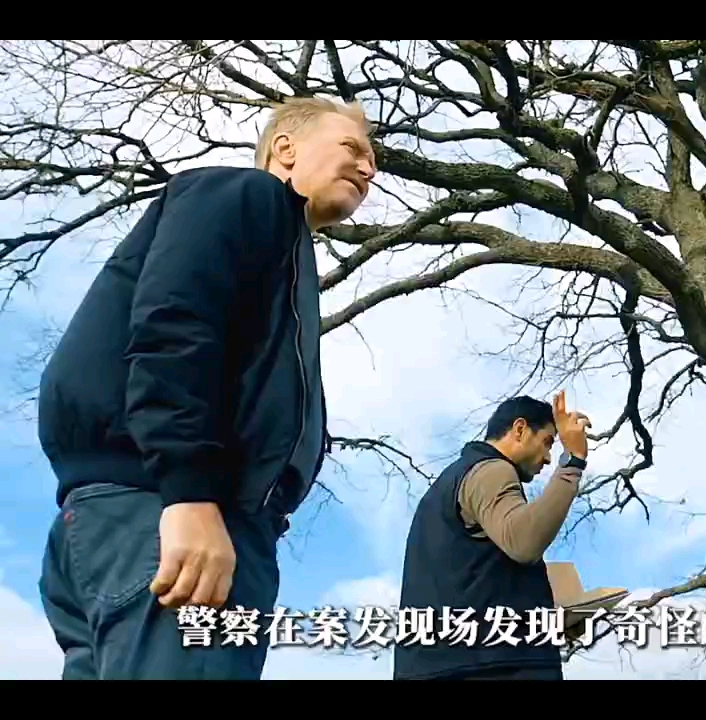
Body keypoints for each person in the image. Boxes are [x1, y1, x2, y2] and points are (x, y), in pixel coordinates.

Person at [36, 96, 377, 680]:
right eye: (353, 148)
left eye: (374, 162)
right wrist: (188, 493)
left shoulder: (284, 251)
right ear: (285, 148)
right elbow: (176, 322)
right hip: (172, 517)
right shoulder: (249, 196)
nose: (369, 169)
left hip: (118, 523)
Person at [393, 391, 591, 681]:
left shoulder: (452, 483)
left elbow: (478, 580)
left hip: (444, 664)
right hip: (493, 667)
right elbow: (523, 542)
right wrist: (573, 461)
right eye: (548, 442)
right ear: (520, 429)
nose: (549, 458)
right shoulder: (491, 471)